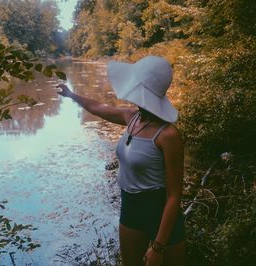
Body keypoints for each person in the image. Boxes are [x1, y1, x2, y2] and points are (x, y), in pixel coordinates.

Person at [56, 55, 186, 266]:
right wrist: (71, 95)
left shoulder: (168, 135)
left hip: (160, 210)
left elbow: (174, 195)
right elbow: (98, 107)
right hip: (131, 207)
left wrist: (158, 246)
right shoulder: (133, 117)